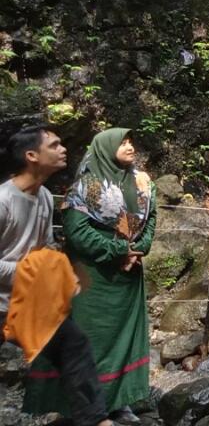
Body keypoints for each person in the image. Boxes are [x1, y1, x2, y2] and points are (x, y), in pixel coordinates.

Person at [26, 129, 155, 426]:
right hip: (94, 274)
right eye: (122, 142)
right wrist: (118, 250)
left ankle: (120, 401)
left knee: (126, 338)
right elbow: (76, 231)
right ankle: (85, 406)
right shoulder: (85, 186)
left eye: (131, 141)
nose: (130, 146)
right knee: (91, 339)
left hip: (129, 275)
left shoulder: (144, 183)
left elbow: (151, 221)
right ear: (106, 147)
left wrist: (139, 249)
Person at [0, 126, 115, 426]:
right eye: (54, 145)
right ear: (32, 156)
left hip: (29, 303)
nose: (63, 149)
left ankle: (96, 420)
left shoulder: (46, 198)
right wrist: (27, 271)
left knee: (73, 345)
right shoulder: (2, 201)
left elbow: (46, 246)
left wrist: (63, 274)